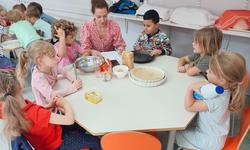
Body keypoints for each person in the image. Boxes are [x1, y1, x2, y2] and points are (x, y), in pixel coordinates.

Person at [0, 70, 101, 150]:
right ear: (20, 86)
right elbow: (69, 120)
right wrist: (65, 104)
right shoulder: (36, 114)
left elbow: (35, 114)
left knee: (81, 127)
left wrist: (48, 106)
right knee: (95, 141)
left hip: (46, 141)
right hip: (57, 144)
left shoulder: (10, 110)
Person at [176, 51, 246, 150]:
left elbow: (189, 106)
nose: (207, 71)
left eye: (211, 71)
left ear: (222, 80)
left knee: (177, 134)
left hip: (209, 141)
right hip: (216, 136)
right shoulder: (227, 87)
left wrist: (190, 87)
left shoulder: (217, 100)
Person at [16, 40, 82, 108]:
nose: (57, 58)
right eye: (53, 56)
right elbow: (52, 95)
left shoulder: (52, 66)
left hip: (56, 99)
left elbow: (64, 72)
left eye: (56, 55)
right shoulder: (38, 78)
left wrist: (74, 80)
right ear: (40, 61)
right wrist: (73, 88)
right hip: (46, 108)